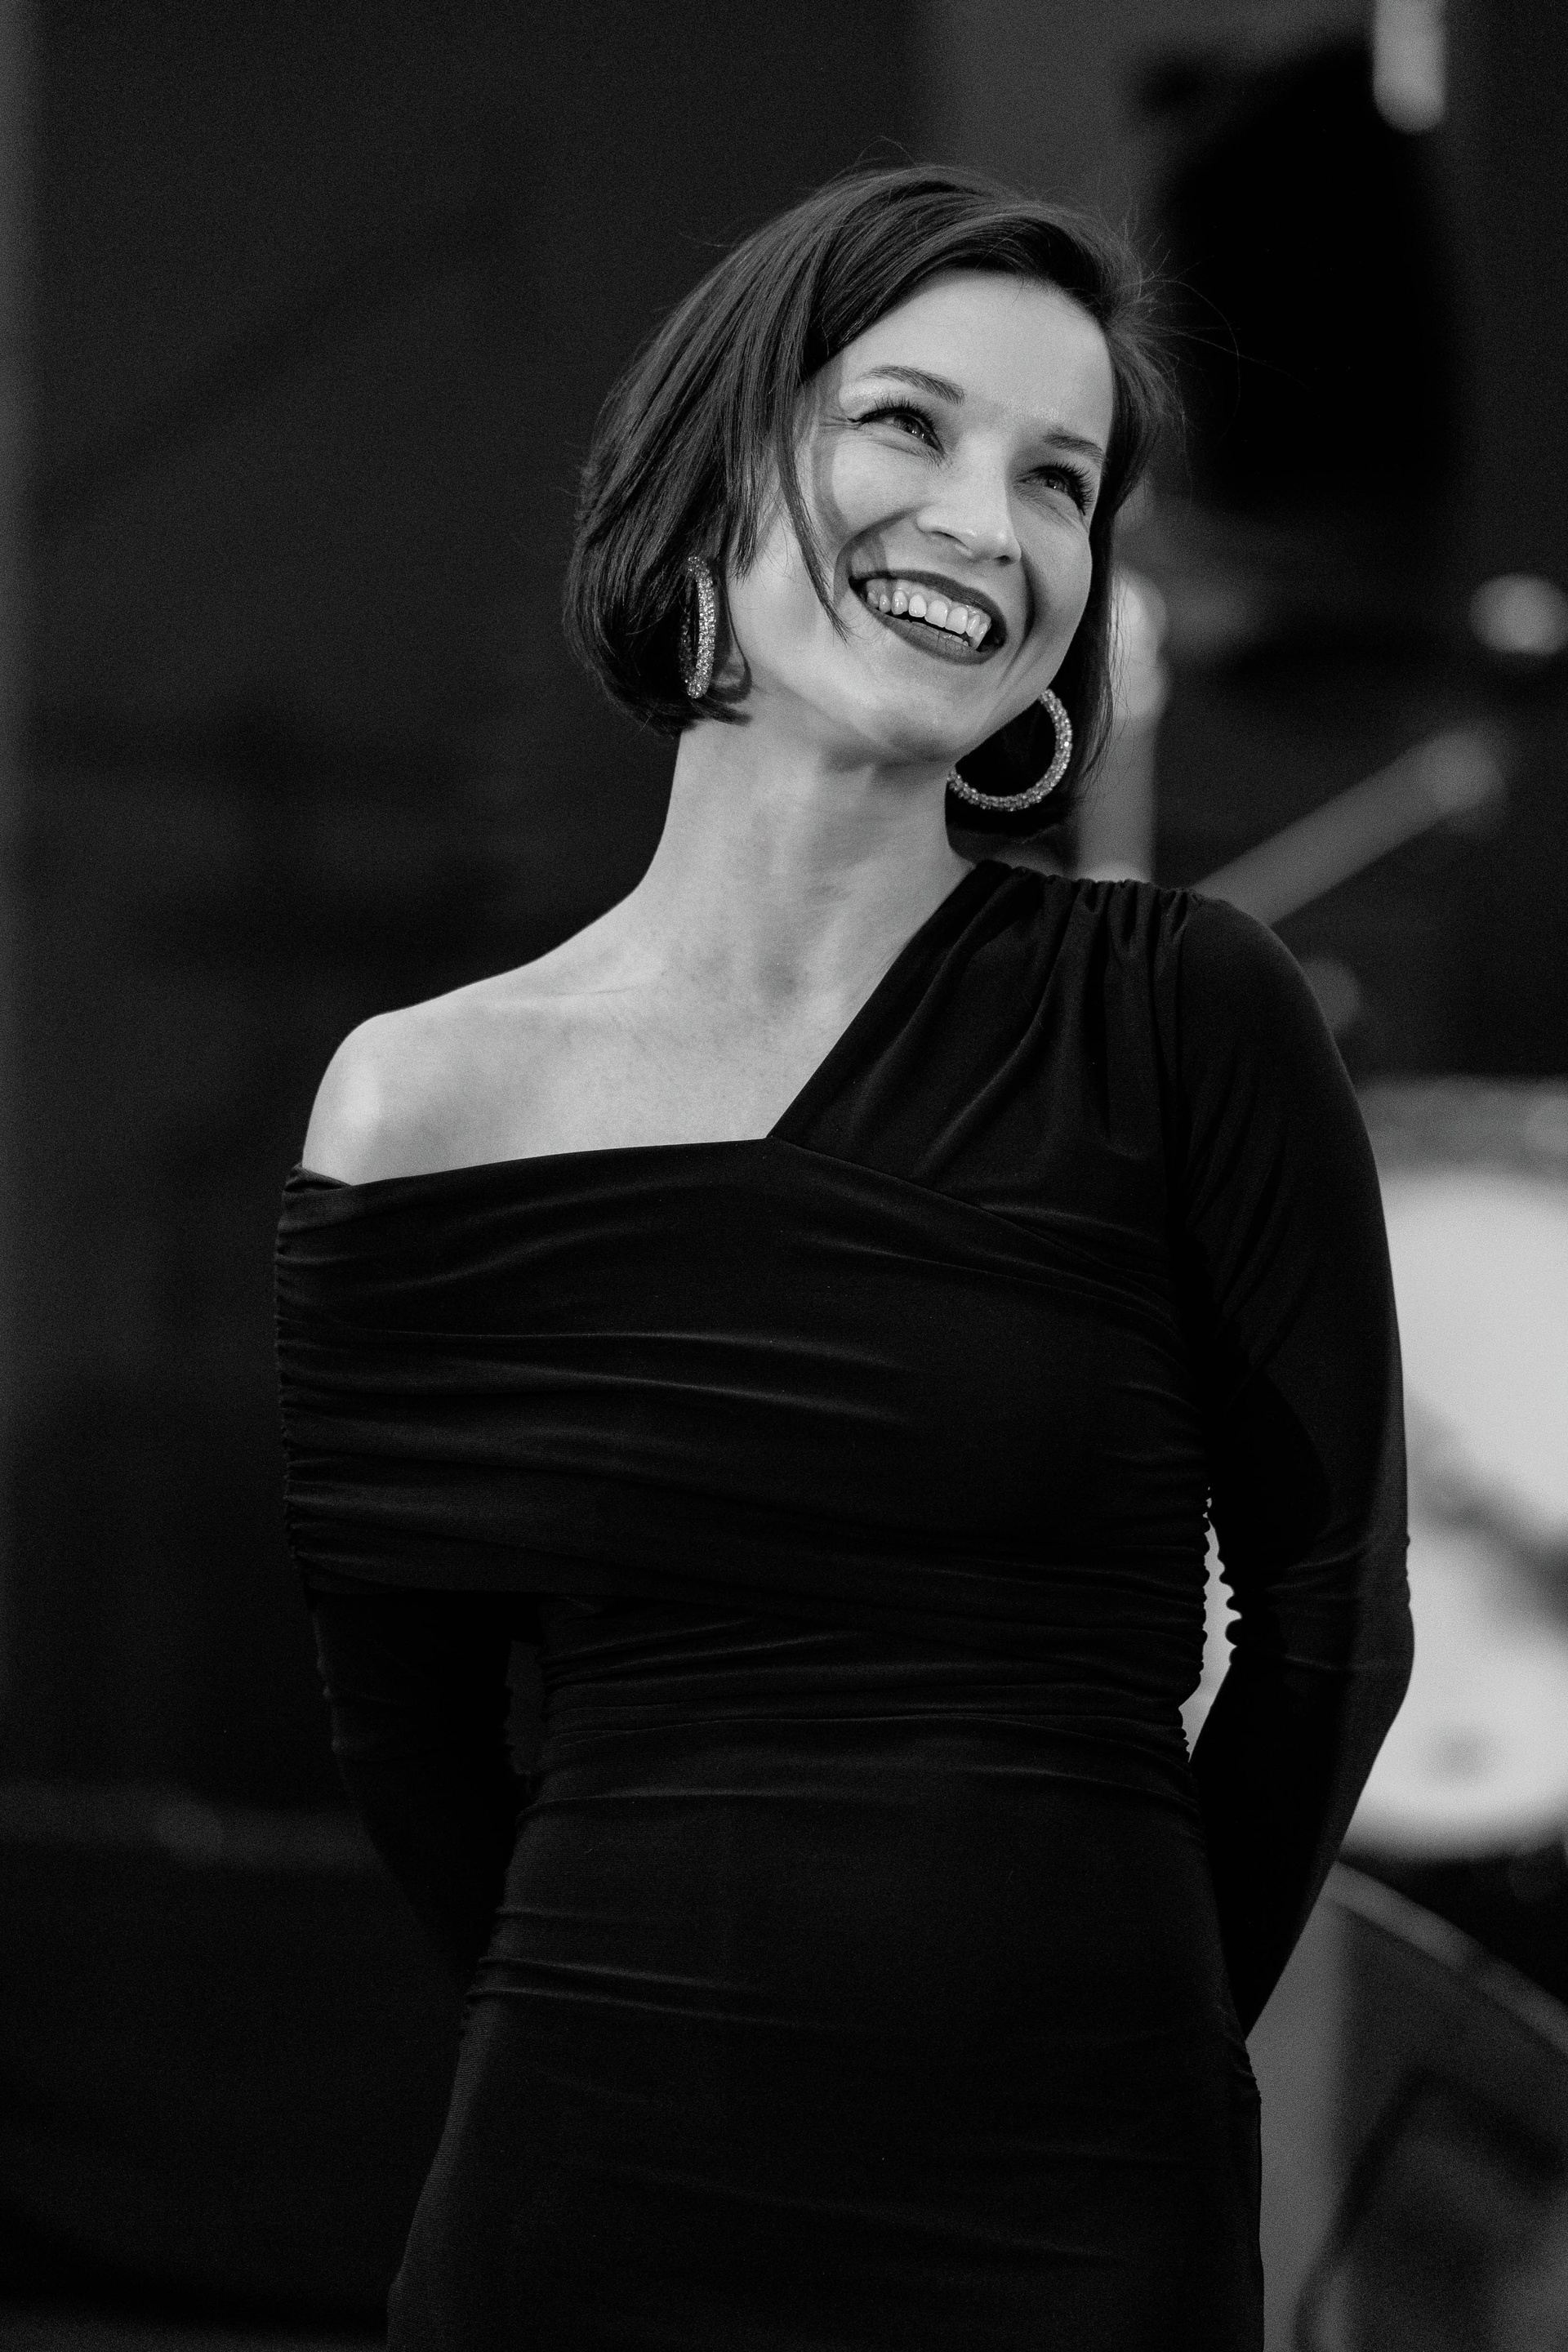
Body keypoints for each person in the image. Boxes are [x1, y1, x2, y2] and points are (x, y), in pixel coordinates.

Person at [275, 163, 1413, 2350]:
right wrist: (639, 2038)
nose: (992, 524)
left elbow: (1329, 1629)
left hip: (1075, 2208)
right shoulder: (417, 1103)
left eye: (1060, 479)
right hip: (586, 2204)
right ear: (715, 465)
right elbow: (406, 1730)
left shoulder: (1181, 1012)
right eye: (909, 423)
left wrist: (1136, 2051)